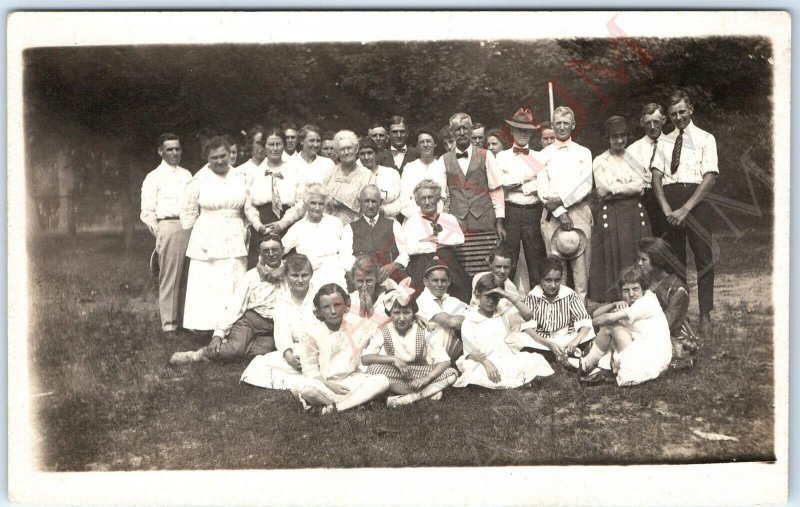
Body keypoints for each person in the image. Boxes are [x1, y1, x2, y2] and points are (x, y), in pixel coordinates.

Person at [180, 136, 267, 332]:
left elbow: (249, 208)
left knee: (234, 279)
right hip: (207, 235)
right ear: (207, 158)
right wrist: (195, 239)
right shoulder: (199, 180)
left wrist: (259, 226)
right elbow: (188, 213)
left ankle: (232, 327)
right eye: (214, 157)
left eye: (223, 156)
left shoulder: (241, 177)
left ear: (230, 155)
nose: (219, 161)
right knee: (210, 280)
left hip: (235, 234)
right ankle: (206, 327)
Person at [651, 89, 718, 339]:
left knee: (703, 259)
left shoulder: (705, 138)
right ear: (669, 116)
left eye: (682, 111)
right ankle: (680, 315)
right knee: (675, 261)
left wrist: (686, 208)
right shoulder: (664, 142)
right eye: (674, 114)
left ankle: (705, 315)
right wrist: (667, 208)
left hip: (696, 203)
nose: (678, 117)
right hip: (670, 201)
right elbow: (656, 176)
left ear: (691, 109)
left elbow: (710, 177)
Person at [168, 235, 285, 365]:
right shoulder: (252, 276)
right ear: (260, 254)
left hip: (273, 326)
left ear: (283, 250)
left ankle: (241, 346)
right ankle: (197, 355)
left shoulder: (292, 273)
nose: (271, 254)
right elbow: (235, 306)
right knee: (234, 350)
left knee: (261, 355)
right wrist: (218, 335)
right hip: (250, 322)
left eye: (275, 249)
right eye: (266, 251)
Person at [293, 284, 391, 414]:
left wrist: (416, 317)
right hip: (325, 383)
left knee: (382, 381)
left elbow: (384, 324)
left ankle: (336, 408)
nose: (333, 311)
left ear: (346, 305)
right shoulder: (312, 333)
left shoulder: (355, 325)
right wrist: (330, 386)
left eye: (337, 305)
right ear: (319, 310)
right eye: (326, 307)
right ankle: (355, 402)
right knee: (306, 390)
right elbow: (310, 370)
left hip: (353, 379)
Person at [361, 282, 458, 407]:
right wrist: (393, 359)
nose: (401, 318)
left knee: (451, 373)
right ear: (390, 314)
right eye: (396, 313)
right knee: (373, 370)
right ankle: (424, 393)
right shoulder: (385, 329)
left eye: (406, 312)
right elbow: (365, 358)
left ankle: (406, 399)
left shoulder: (422, 329)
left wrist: (426, 379)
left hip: (420, 371)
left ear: (413, 313)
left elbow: (445, 361)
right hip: (397, 373)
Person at [588, 116, 651, 304]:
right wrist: (625, 187)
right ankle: (615, 301)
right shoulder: (600, 160)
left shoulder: (634, 158)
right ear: (608, 137)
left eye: (623, 136)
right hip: (612, 213)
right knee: (612, 254)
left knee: (636, 254)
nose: (619, 140)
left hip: (633, 212)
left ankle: (639, 300)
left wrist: (614, 188)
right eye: (615, 136)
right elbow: (602, 189)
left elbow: (640, 186)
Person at [454, 274, 555, 389]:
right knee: (474, 372)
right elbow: (470, 353)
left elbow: (528, 315)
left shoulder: (502, 313)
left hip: (506, 358)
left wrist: (508, 296)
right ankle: (520, 383)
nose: (492, 301)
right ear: (478, 294)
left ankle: (512, 383)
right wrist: (487, 363)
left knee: (536, 359)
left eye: (496, 297)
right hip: (483, 360)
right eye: (488, 297)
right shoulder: (470, 320)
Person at [576, 266, 672, 386]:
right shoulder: (632, 304)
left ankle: (587, 364)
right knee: (610, 326)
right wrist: (614, 305)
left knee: (610, 326)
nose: (631, 294)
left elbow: (604, 319)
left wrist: (589, 323)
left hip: (652, 356)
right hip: (643, 349)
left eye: (635, 289)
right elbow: (596, 314)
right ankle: (599, 367)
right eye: (626, 290)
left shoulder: (647, 302)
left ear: (643, 289)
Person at [538, 106, 594, 302]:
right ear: (553, 125)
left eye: (566, 123)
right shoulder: (542, 155)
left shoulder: (583, 152)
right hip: (553, 216)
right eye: (558, 123)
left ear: (573, 125)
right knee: (555, 271)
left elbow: (586, 185)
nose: (562, 127)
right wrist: (561, 212)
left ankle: (582, 320)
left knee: (581, 274)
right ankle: (558, 317)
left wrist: (563, 200)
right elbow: (543, 191)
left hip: (579, 213)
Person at [269, 130, 376, 231]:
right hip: (325, 229)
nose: (346, 152)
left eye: (349, 148)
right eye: (342, 149)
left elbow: (372, 209)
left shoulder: (367, 176)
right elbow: (308, 199)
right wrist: (282, 223)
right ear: (336, 152)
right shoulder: (330, 173)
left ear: (356, 149)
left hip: (354, 231)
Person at [140, 133, 192, 337]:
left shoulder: (187, 175)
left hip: (190, 225)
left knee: (188, 275)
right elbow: (147, 210)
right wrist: (159, 230)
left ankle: (186, 321)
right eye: (169, 149)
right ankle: (169, 325)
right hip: (168, 225)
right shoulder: (153, 177)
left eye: (177, 149)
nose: (174, 153)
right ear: (160, 151)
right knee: (169, 276)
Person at [239, 253, 316, 389]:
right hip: (296, 348)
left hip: (318, 348)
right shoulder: (282, 301)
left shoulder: (318, 297)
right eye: (294, 275)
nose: (300, 280)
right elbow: (282, 331)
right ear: (286, 277)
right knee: (261, 364)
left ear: (311, 275)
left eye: (304, 275)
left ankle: (311, 376)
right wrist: (288, 355)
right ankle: (306, 378)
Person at [393, 179, 469, 302]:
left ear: (438, 198)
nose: (427, 202)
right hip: (421, 263)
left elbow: (459, 238)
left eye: (431, 197)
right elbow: (410, 248)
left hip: (448, 262)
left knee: (461, 285)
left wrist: (431, 239)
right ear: (417, 201)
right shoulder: (412, 222)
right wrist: (437, 245)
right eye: (423, 198)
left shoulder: (447, 218)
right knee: (420, 289)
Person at [497, 107, 548, 287]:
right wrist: (526, 178)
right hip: (511, 212)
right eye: (519, 130)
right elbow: (500, 184)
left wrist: (517, 185)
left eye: (526, 131)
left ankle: (538, 304)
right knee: (507, 261)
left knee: (535, 260)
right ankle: (504, 303)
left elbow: (542, 186)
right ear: (511, 131)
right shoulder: (501, 157)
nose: (522, 134)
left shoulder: (539, 157)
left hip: (533, 212)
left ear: (531, 133)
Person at [519, 258, 595, 367]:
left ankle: (559, 355)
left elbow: (585, 322)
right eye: (548, 280)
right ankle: (570, 356)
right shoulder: (532, 296)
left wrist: (574, 342)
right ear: (540, 279)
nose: (553, 285)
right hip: (542, 341)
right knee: (519, 338)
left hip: (567, 338)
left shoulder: (570, 295)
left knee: (590, 331)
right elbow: (528, 328)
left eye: (557, 280)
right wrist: (549, 344)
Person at [442, 112, 505, 240]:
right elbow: (441, 196)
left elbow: (496, 191)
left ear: (471, 130)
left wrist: (500, 222)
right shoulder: (443, 160)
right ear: (451, 132)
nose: (461, 132)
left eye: (465, 128)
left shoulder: (486, 155)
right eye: (457, 129)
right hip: (457, 222)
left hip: (485, 220)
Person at [637, 237, 699, 368]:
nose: (639, 263)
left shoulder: (678, 290)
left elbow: (666, 323)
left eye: (644, 260)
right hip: (648, 328)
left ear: (657, 260)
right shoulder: (646, 280)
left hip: (672, 337)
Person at [243, 127, 300, 268]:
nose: (275, 148)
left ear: (284, 145)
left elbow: (301, 203)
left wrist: (283, 224)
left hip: (287, 227)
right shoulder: (253, 173)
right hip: (261, 228)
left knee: (288, 269)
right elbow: (248, 205)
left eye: (278, 144)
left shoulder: (295, 170)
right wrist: (259, 226)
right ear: (264, 146)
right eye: (271, 144)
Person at [281, 183, 347, 289]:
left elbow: (346, 248)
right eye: (313, 203)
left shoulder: (335, 222)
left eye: (321, 204)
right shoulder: (297, 228)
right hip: (311, 275)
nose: (317, 207)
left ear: (325, 205)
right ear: (306, 204)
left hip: (337, 272)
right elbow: (280, 250)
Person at [339, 185, 402, 285]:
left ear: (380, 202)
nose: (370, 205)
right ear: (359, 202)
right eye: (366, 201)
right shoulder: (349, 229)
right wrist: (363, 271)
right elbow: (344, 257)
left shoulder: (394, 225)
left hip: (392, 277)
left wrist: (394, 265)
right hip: (362, 280)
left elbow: (405, 253)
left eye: (374, 201)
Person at [414, 260, 469, 363]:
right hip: (429, 360)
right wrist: (469, 319)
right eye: (435, 280)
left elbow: (477, 317)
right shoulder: (422, 300)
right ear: (426, 282)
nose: (440, 284)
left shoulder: (453, 300)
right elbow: (452, 322)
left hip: (452, 358)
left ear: (449, 282)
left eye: (443, 280)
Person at [627, 103, 669, 238]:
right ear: (641, 123)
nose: (652, 127)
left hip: (669, 196)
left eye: (656, 122)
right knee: (647, 243)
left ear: (664, 120)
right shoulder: (633, 150)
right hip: (646, 200)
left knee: (671, 244)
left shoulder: (673, 145)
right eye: (648, 123)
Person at [398, 127, 448, 218]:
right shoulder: (409, 168)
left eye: (429, 141)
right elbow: (404, 198)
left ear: (435, 144)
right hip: (413, 219)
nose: (425, 145)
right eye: (422, 142)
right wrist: (419, 218)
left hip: (439, 220)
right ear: (417, 146)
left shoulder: (442, 166)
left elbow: (445, 198)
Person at [357, 137, 403, 217]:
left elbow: (400, 201)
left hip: (387, 220)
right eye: (362, 154)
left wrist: (383, 211)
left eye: (370, 153)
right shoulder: (354, 176)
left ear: (376, 153)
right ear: (358, 156)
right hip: (362, 222)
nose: (366, 157)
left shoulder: (391, 173)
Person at [469, 245, 519, 309]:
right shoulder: (479, 277)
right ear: (490, 264)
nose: (502, 271)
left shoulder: (512, 290)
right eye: (498, 266)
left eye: (506, 267)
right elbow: (474, 303)